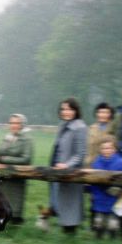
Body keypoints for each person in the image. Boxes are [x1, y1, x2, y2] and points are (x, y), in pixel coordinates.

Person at [49, 98, 88, 234]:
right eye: (64, 109)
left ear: (76, 110)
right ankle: (66, 231)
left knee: (71, 205)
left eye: (70, 109)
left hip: (71, 172)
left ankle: (71, 232)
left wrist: (67, 165)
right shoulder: (62, 125)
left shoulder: (80, 127)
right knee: (62, 203)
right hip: (59, 171)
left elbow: (80, 154)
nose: (66, 112)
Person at [0, 113, 33, 224]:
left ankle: (16, 222)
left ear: (22, 125)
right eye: (11, 123)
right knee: (2, 200)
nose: (13, 125)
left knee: (15, 202)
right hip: (4, 177)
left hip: (17, 177)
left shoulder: (27, 139)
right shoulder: (7, 138)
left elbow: (26, 159)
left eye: (17, 123)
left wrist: (5, 159)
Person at [88, 136, 122, 239]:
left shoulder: (121, 163)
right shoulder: (97, 163)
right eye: (104, 148)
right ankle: (98, 238)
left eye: (109, 148)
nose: (106, 151)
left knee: (113, 222)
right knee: (99, 221)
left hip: (115, 198)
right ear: (100, 150)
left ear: (114, 149)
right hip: (100, 197)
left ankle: (112, 239)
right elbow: (93, 180)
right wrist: (93, 193)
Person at [84, 102, 114, 166]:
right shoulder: (91, 129)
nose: (102, 115)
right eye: (100, 112)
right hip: (90, 165)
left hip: (108, 166)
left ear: (110, 114)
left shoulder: (114, 129)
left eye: (106, 112)